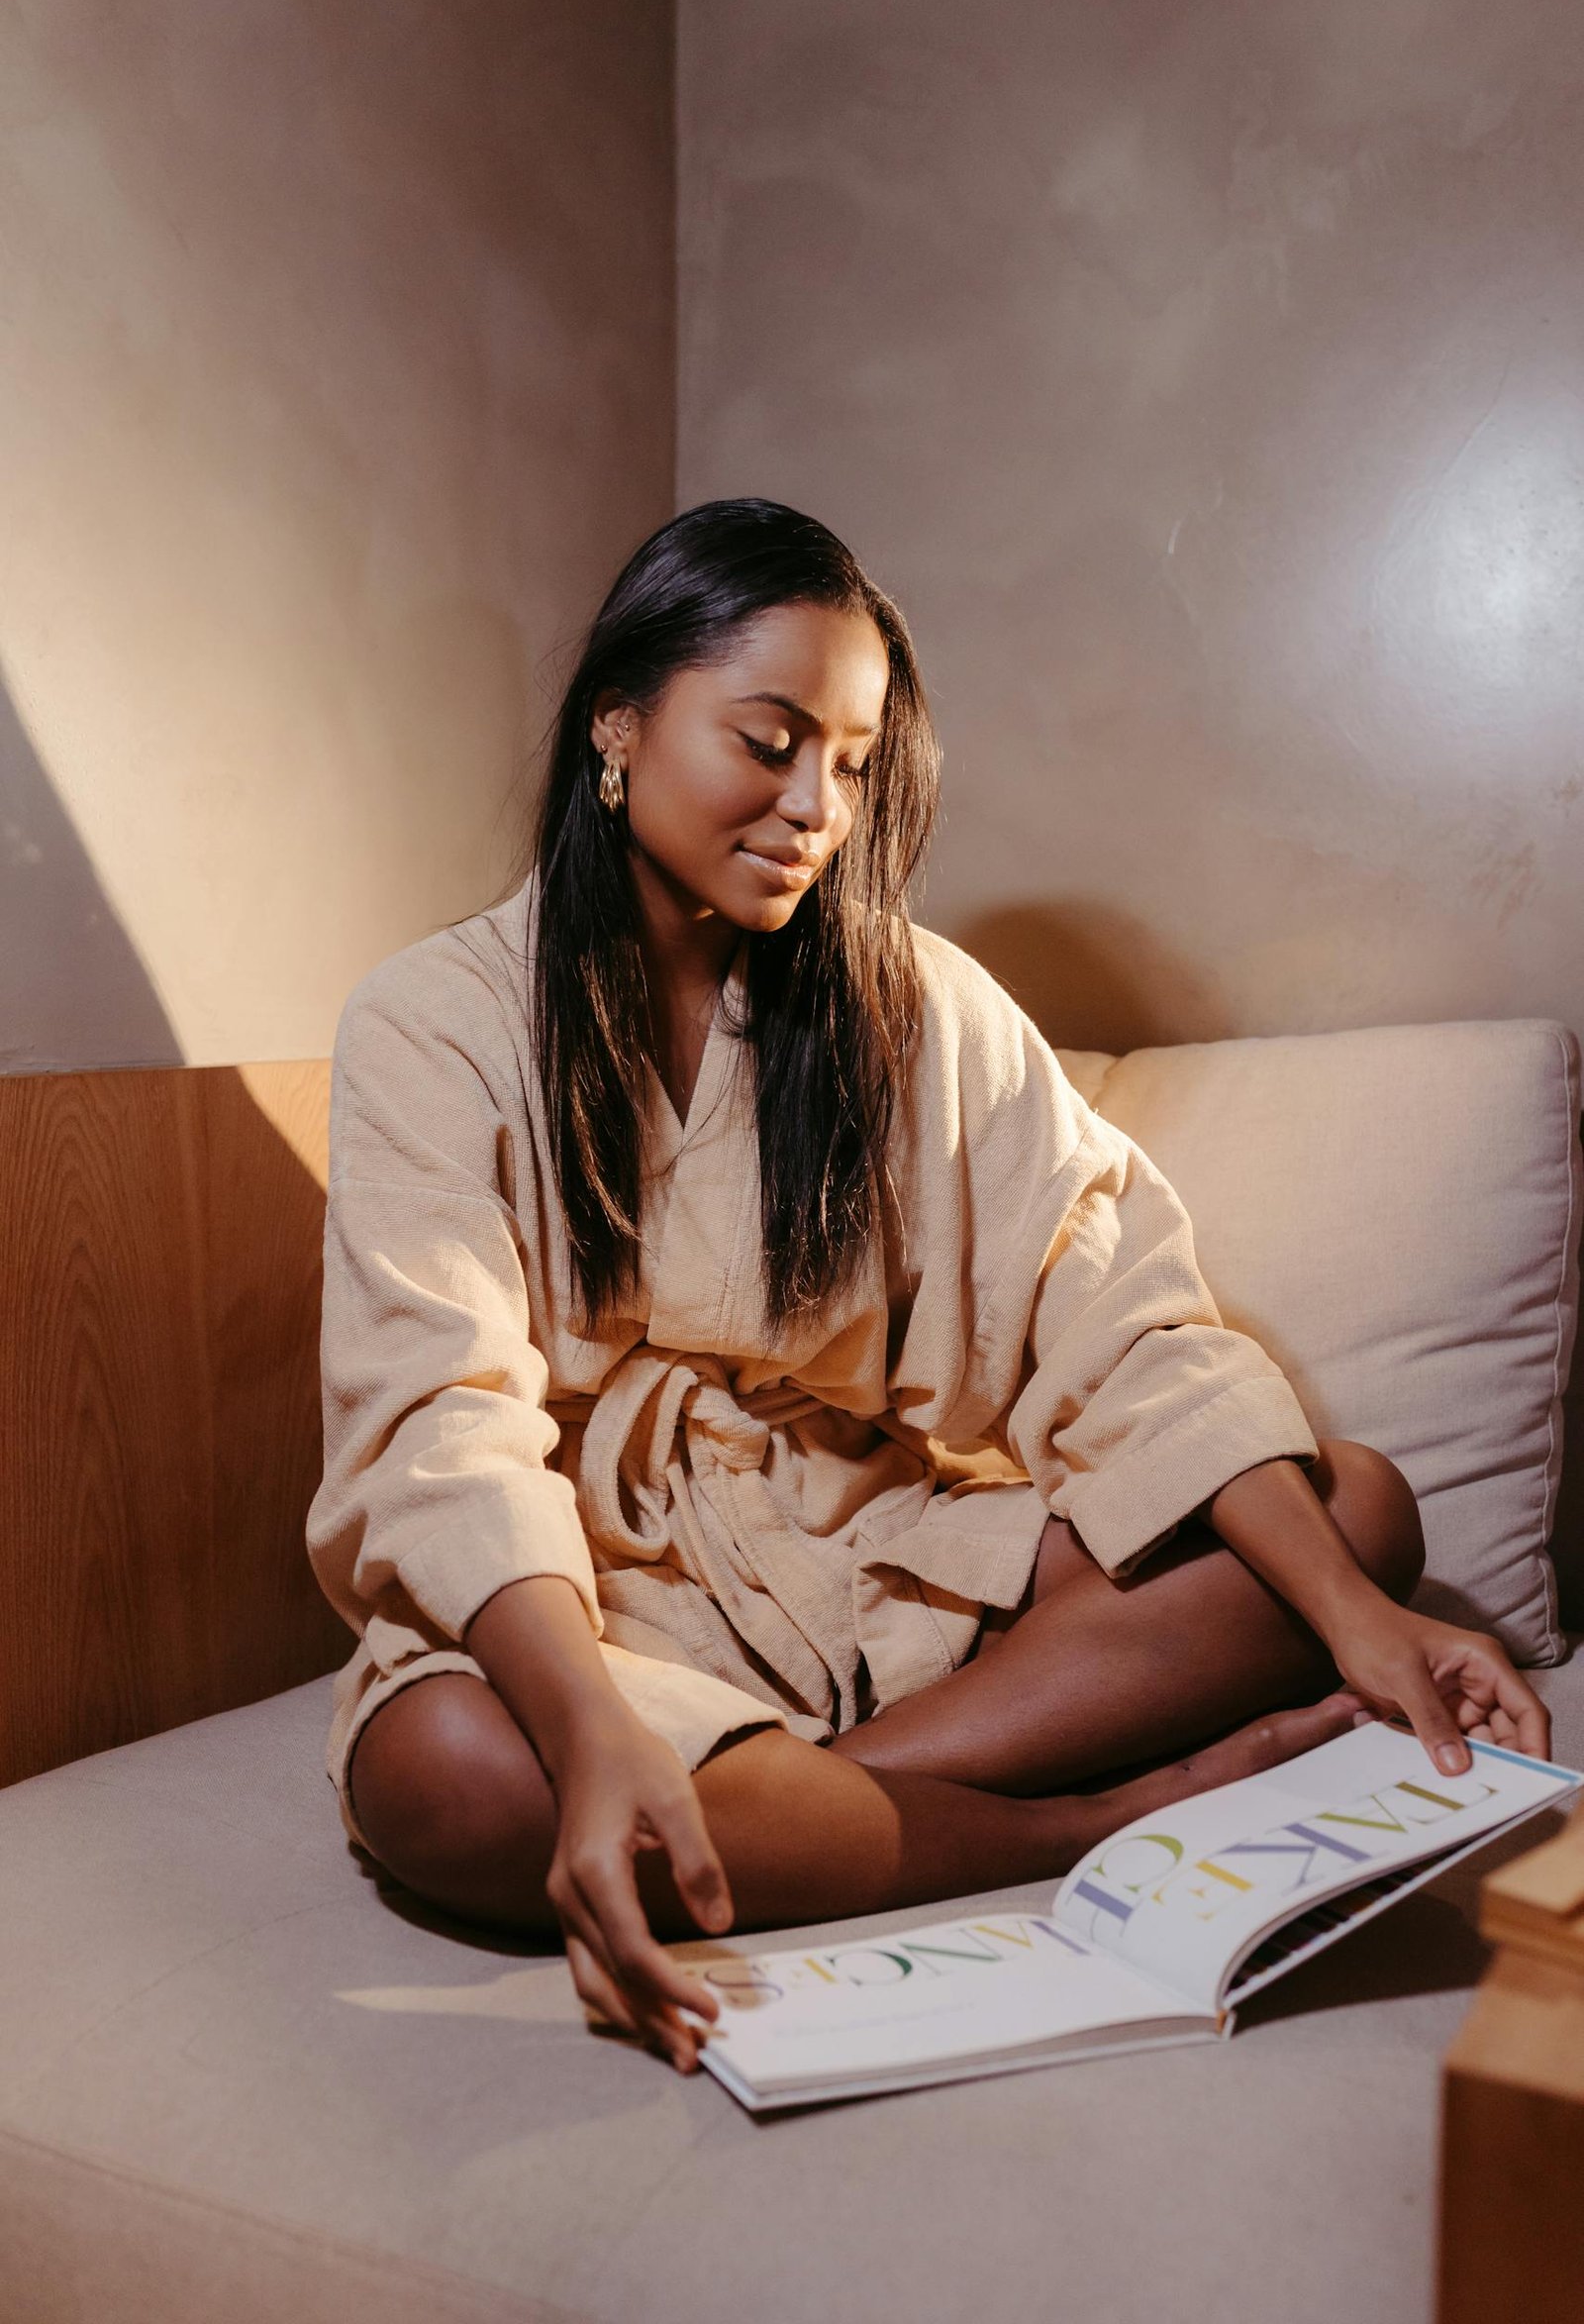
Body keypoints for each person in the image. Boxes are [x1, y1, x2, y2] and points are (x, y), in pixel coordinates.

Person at [306, 497, 1550, 2077]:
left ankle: (808, 1805)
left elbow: (1123, 1316)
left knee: (1353, 1514)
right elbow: (442, 1422)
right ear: (618, 723)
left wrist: (1359, 1620)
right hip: (592, 1585)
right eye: (766, 742)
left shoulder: (914, 1000)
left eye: (852, 758)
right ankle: (1095, 1820)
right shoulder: (430, 1020)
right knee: (443, 1774)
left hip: (861, 1548)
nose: (816, 805)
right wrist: (590, 1723)